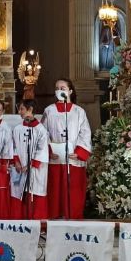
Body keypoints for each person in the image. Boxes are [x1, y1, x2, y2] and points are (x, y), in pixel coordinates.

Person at [41, 79, 93, 219]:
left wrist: (79, 152)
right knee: (55, 192)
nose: (59, 90)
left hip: (73, 159)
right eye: (57, 88)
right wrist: (49, 151)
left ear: (70, 91)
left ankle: (73, 223)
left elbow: (85, 133)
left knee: (73, 193)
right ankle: (54, 221)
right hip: (55, 160)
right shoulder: (49, 110)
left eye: (63, 88)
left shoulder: (78, 111)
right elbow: (43, 133)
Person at [11, 99, 50, 220]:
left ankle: (38, 223)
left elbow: (42, 151)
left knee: (35, 193)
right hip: (20, 168)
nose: (19, 112)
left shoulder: (41, 130)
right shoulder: (17, 128)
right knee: (20, 193)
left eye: (22, 109)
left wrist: (29, 166)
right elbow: (13, 147)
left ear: (30, 110)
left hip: (35, 170)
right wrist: (16, 162)